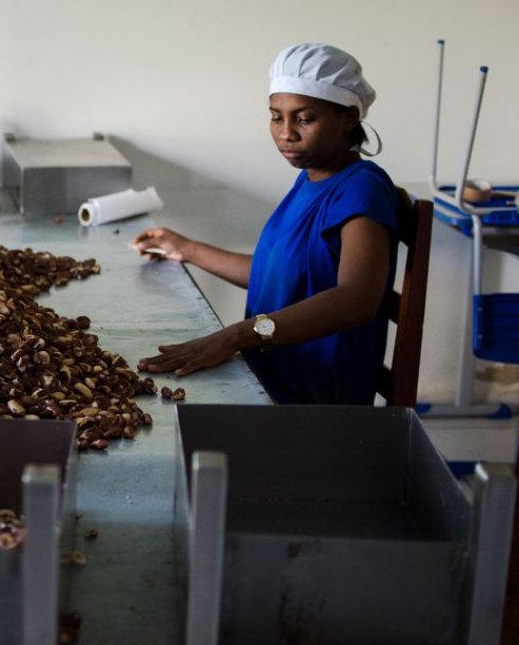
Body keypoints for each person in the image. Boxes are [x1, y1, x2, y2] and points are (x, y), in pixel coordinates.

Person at [132, 43, 399, 405]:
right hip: (267, 382)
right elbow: (275, 275)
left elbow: (356, 300)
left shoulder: (362, 189)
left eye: (304, 118)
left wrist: (240, 335)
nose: (286, 132)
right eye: (276, 117)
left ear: (349, 118)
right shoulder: (310, 180)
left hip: (314, 405)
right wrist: (186, 249)